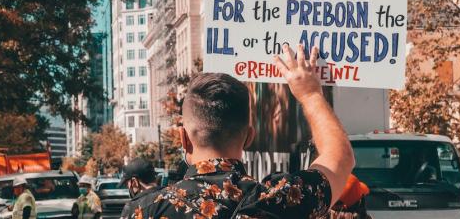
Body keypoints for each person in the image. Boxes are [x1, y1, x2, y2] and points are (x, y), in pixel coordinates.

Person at [124, 44, 355, 218]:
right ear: (249, 137)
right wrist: (310, 94)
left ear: (184, 138)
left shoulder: (143, 211)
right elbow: (341, 158)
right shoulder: (282, 198)